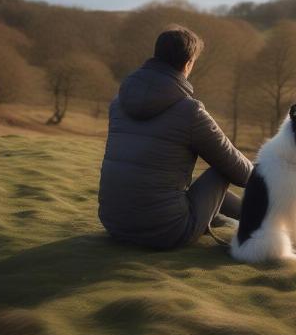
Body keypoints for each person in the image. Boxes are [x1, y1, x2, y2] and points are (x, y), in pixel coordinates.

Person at [98, 26, 253, 249]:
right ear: (188, 63)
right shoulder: (190, 111)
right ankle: (264, 219)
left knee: (172, 179)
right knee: (223, 169)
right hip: (167, 232)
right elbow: (240, 172)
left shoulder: (118, 104)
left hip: (115, 224)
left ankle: (230, 216)